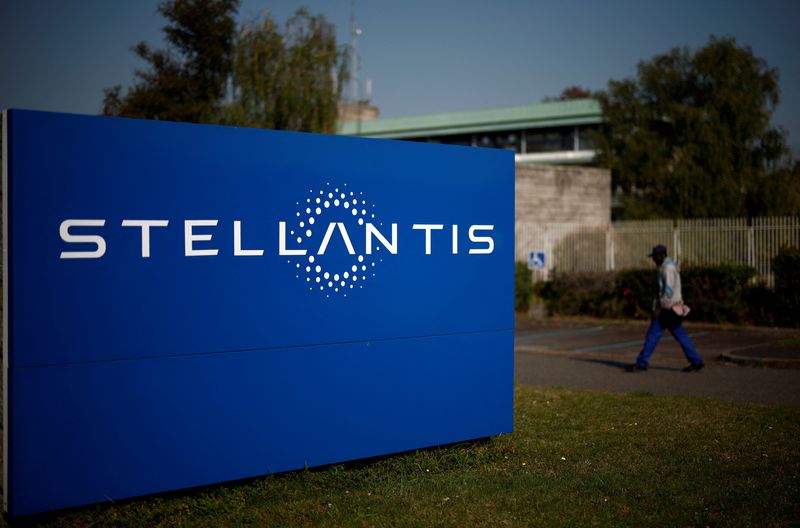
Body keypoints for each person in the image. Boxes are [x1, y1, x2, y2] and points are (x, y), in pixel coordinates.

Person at [628, 244, 705, 373]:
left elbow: (668, 291)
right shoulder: (671, 266)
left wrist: (659, 309)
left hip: (667, 309)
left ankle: (642, 362)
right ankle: (696, 361)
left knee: (652, 336)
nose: (653, 260)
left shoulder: (667, 268)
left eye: (654, 257)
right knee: (681, 336)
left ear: (660, 256)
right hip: (673, 309)